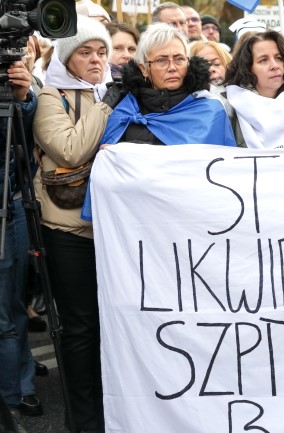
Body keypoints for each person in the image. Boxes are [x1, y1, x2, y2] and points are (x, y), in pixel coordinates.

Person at [32, 16, 115, 432]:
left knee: (112, 325)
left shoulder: (116, 94)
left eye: (102, 51)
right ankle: (83, 420)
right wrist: (105, 103)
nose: (96, 59)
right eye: (85, 52)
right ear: (67, 58)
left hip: (115, 230)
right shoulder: (52, 96)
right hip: (69, 231)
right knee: (80, 328)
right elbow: (70, 149)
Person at [97, 23, 235, 148]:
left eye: (179, 59)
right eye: (161, 60)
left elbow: (221, 166)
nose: (172, 67)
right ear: (144, 69)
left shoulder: (210, 109)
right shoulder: (125, 108)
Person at [0, 51, 40, 433]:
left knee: (9, 312)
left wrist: (24, 97)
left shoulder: (13, 81)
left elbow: (27, 138)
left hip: (8, 207)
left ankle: (17, 390)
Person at [222, 30, 284, 148]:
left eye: (279, 58)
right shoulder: (229, 111)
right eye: (263, 60)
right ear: (247, 68)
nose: (274, 66)